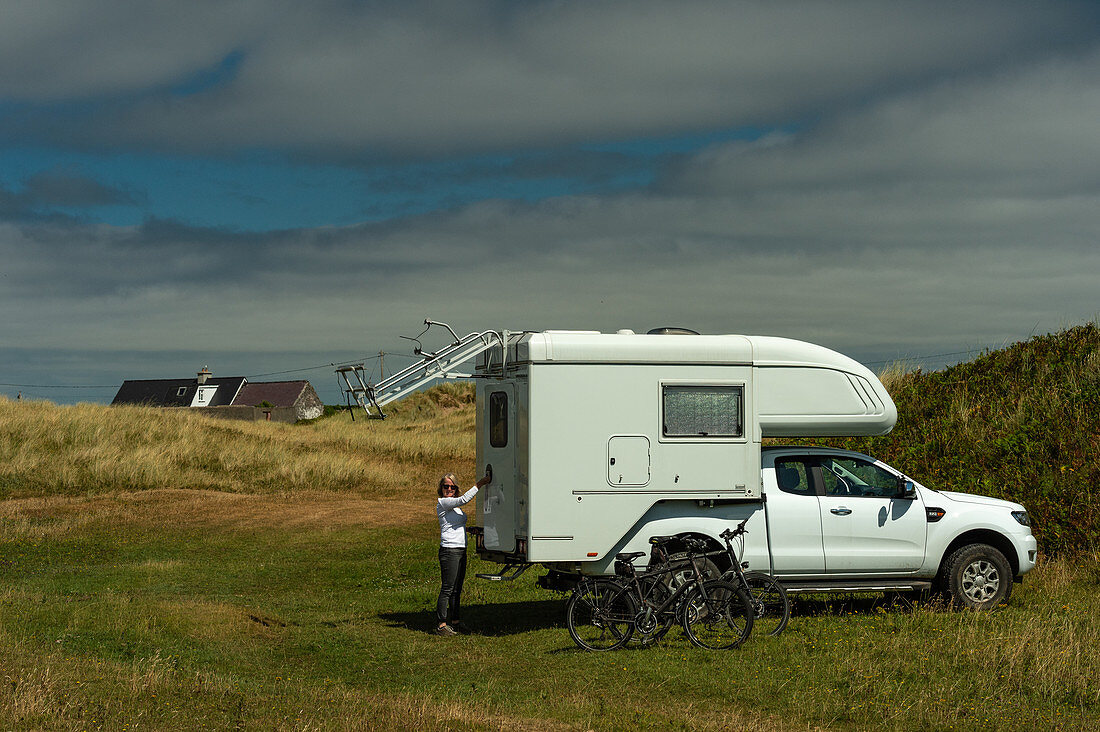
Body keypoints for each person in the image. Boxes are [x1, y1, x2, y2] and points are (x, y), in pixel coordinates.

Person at [435, 470, 491, 635]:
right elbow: (464, 499)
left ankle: (455, 622)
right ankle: (441, 625)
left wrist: (467, 529)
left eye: (452, 487)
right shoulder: (443, 502)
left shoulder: (454, 506)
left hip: (460, 550)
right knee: (447, 588)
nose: (449, 489)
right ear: (441, 488)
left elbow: (452, 525)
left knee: (456, 589)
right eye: (446, 486)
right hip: (449, 551)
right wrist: (481, 483)